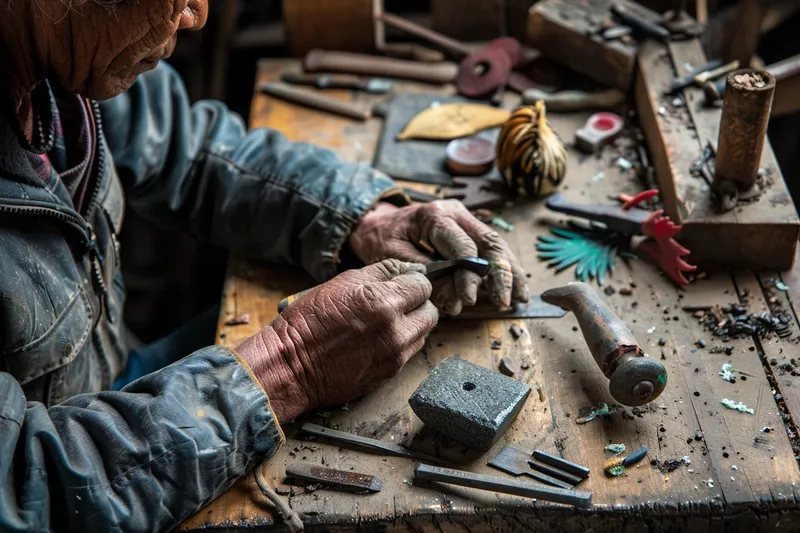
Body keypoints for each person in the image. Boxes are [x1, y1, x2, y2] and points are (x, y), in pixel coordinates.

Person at [0, 0, 530, 531]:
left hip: (111, 377)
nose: (197, 15)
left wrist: (364, 220)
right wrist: (292, 365)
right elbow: (23, 487)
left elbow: (193, 152)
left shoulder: (66, 49)